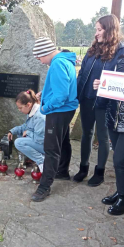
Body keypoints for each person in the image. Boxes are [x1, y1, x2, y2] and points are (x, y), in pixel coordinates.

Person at [74, 14, 124, 186]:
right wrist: (76, 93)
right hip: (87, 99)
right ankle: (83, 168)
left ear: (109, 30)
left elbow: (121, 80)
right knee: (86, 134)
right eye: (96, 30)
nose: (96, 34)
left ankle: (99, 172)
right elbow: (82, 74)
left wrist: (104, 83)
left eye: (99, 30)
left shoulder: (121, 53)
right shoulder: (92, 50)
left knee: (103, 137)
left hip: (106, 103)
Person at [31, 37, 78, 202]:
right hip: (67, 109)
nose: (39, 60)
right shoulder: (64, 60)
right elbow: (59, 86)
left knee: (51, 148)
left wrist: (44, 107)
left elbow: (61, 95)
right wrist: (43, 94)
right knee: (63, 141)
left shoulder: (57, 64)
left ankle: (44, 187)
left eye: (39, 56)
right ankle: (62, 171)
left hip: (59, 111)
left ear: (45, 52)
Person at [94, 55, 124, 215]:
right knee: (119, 161)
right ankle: (121, 191)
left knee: (120, 160)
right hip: (115, 119)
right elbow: (112, 86)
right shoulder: (121, 59)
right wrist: (101, 85)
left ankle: (123, 197)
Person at [8, 89, 45, 172]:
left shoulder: (39, 117)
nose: (20, 110)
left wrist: (28, 133)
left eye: (20, 108)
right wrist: (12, 131)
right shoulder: (32, 112)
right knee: (20, 136)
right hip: (40, 143)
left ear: (28, 105)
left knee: (19, 142)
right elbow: (25, 127)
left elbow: (41, 139)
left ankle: (42, 161)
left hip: (46, 146)